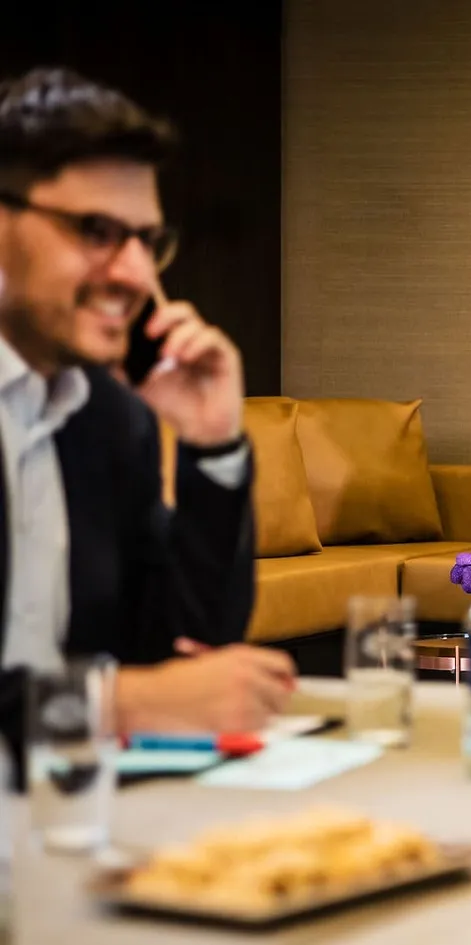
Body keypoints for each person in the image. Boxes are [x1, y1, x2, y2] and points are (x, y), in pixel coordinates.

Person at [0, 68, 289, 781]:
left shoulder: (107, 418)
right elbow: (146, 694)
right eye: (97, 232)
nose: (134, 274)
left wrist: (212, 446)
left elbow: (188, 644)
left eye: (146, 240)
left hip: (69, 817)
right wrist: (112, 704)